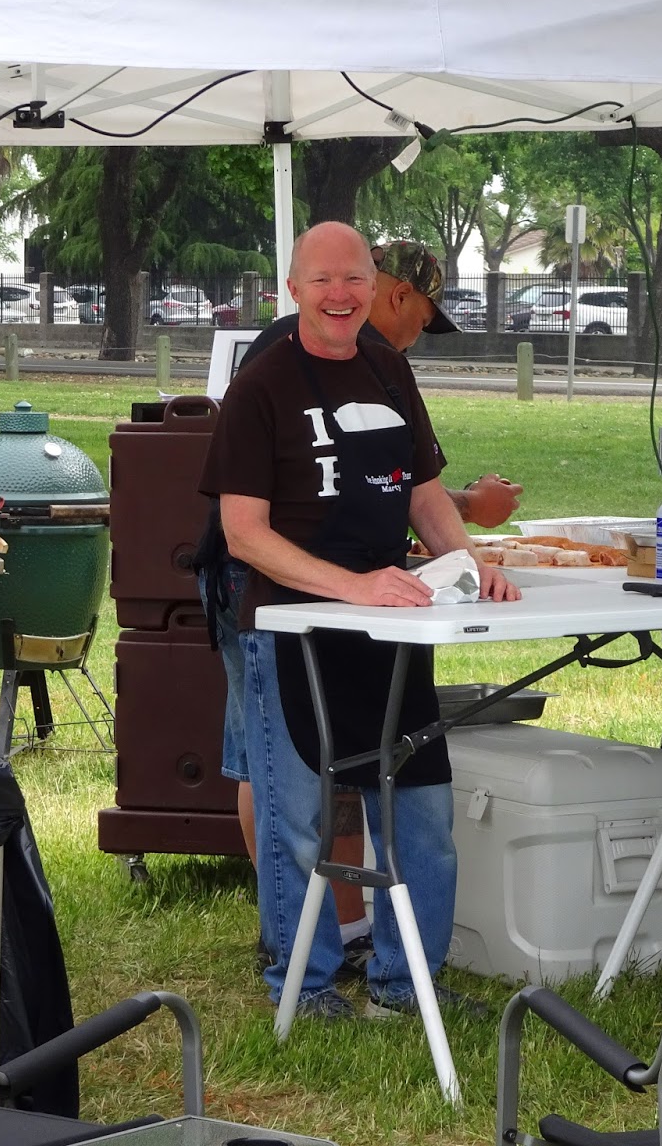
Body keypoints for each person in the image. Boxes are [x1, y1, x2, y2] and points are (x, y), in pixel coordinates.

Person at [199, 221, 521, 1019]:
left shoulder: (387, 368)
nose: (340, 295)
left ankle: (408, 984)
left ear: (376, 288)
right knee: (297, 823)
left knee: (421, 819)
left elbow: (421, 492)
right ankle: (301, 990)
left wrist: (469, 563)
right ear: (293, 289)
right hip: (292, 634)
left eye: (354, 280)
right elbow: (244, 534)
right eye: (323, 281)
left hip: (393, 627)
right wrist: (351, 587)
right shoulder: (261, 386)